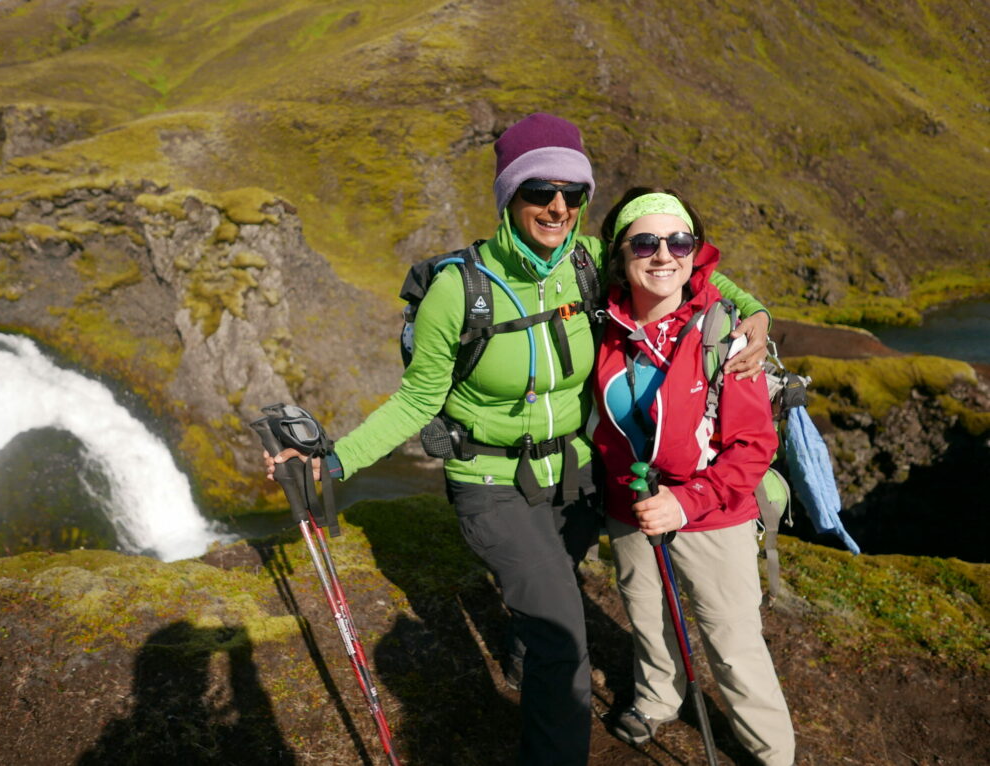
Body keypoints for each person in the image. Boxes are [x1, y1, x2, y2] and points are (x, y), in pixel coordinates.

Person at [265, 115, 770, 766]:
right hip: (493, 484)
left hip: (578, 478)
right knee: (565, 636)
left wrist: (752, 310)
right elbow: (418, 399)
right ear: (509, 196)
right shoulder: (457, 290)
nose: (557, 206)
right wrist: (332, 461)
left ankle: (523, 646)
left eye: (572, 192)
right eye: (538, 190)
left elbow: (683, 267)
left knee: (548, 596)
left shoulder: (589, 261)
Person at [590, 187, 795, 765]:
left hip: (714, 513)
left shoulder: (725, 335)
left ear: (696, 251)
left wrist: (687, 501)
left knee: (732, 643)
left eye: (679, 241)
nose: (664, 254)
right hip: (630, 505)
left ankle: (772, 754)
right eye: (646, 242)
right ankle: (658, 700)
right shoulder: (600, 323)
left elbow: (754, 445)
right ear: (621, 254)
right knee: (647, 616)